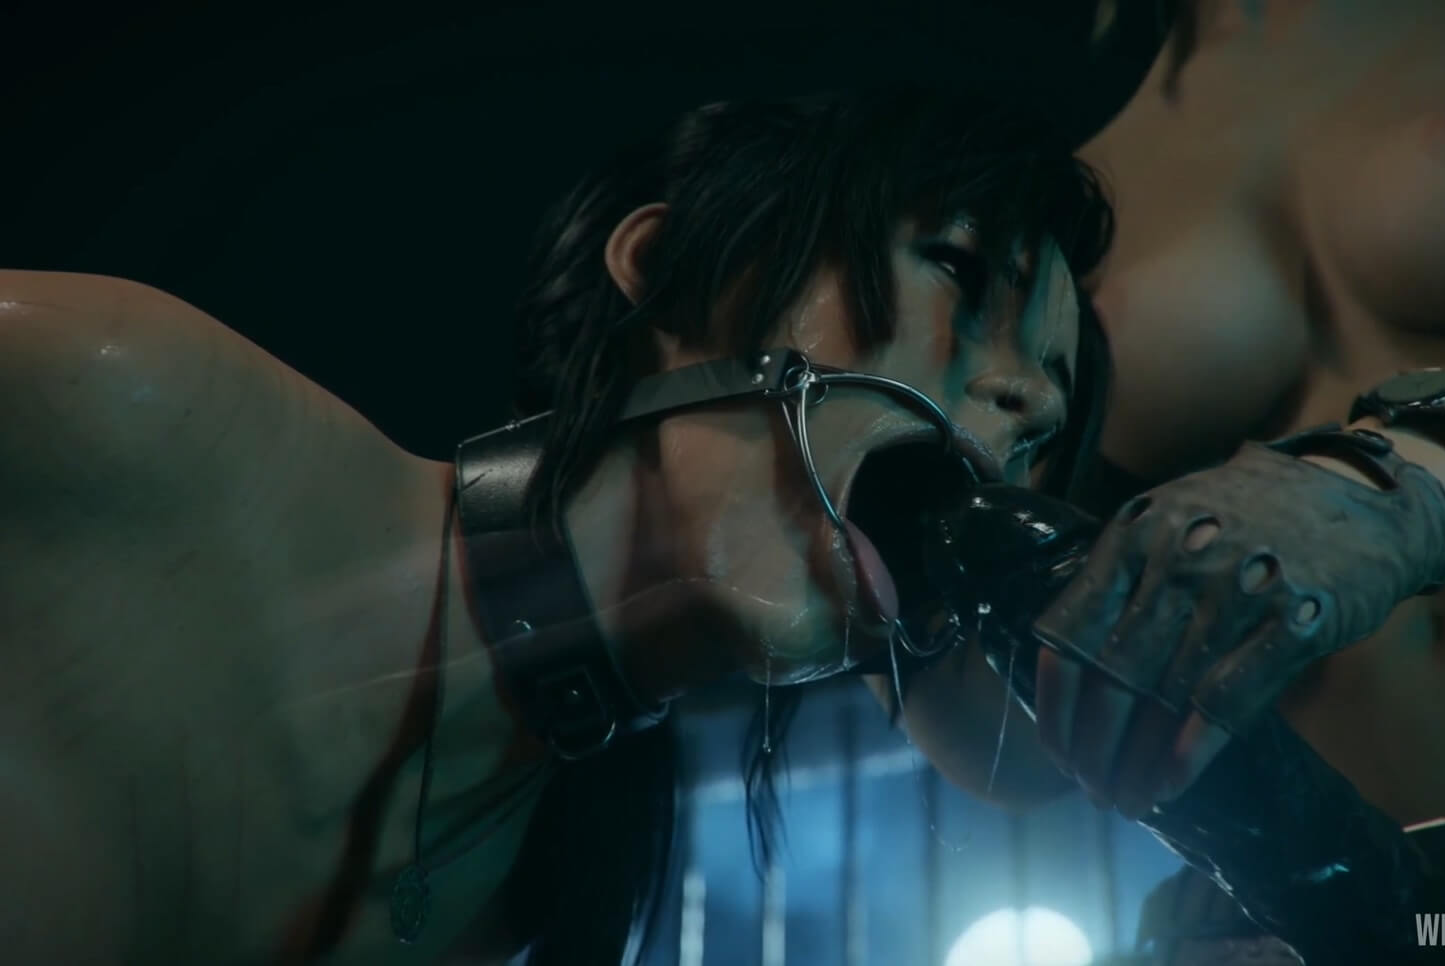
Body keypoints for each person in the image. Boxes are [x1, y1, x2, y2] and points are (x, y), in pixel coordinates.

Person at [0, 87, 1114, 965]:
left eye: (1049, 415)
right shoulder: (113, 407)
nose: (1030, 406)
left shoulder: (528, 887)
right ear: (665, 270)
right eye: (957, 267)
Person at [891, 0, 1445, 960]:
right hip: (1299, 923)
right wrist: (876, 529)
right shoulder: (1054, 165)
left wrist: (1398, 480)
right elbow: (1024, 749)